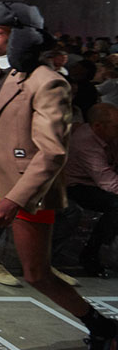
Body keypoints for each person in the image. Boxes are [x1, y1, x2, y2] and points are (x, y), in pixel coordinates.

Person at [0, 1, 118, 350]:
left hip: (25, 182)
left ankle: (102, 327)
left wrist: (15, 198)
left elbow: (53, 151)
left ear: (21, 36)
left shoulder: (49, 81)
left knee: (36, 273)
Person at [58, 102, 118, 278]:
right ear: (98, 126)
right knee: (116, 206)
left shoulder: (109, 136)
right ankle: (92, 254)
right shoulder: (86, 142)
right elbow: (107, 182)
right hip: (78, 185)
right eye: (116, 126)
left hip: (100, 180)